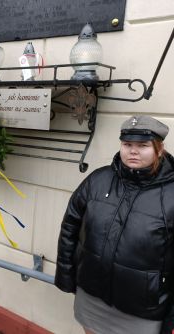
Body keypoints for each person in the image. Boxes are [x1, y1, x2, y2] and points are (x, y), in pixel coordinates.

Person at [55, 115, 174, 334]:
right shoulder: (98, 180)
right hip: (92, 295)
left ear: (159, 149)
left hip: (142, 309)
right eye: (127, 144)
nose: (133, 151)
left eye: (143, 145)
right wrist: (66, 275)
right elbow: (70, 227)